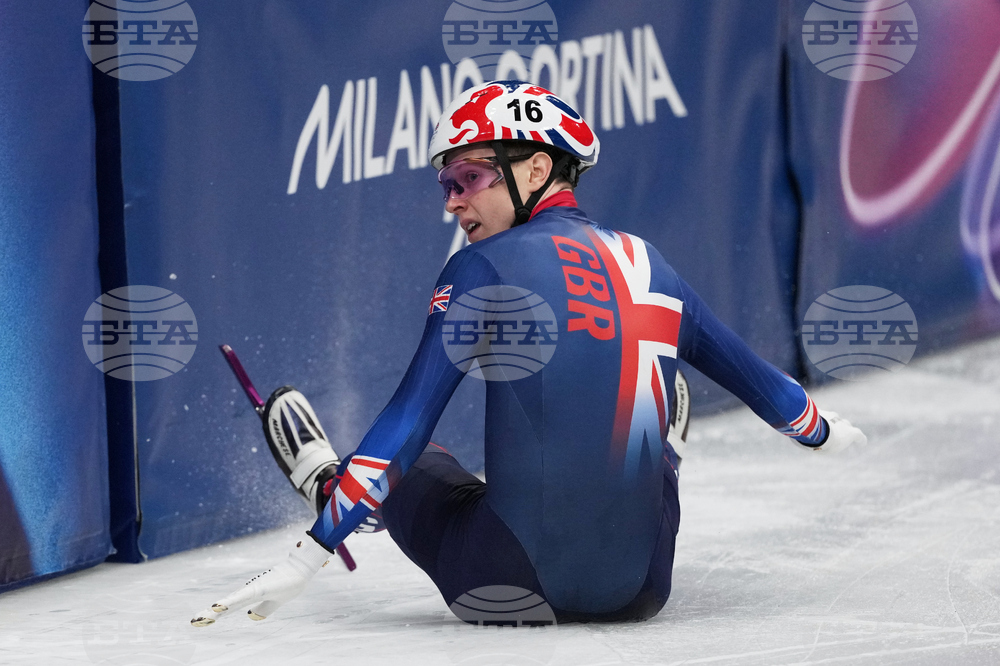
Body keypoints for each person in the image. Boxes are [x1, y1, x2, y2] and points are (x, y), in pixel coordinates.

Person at [192, 80, 866, 627]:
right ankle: (667, 445)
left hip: (499, 583)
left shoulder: (481, 268)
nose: (455, 202)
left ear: (537, 168)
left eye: (470, 176)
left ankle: (327, 483)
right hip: (643, 592)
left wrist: (312, 552)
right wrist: (825, 432)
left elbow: (406, 425)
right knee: (644, 428)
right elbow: (771, 395)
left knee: (421, 460)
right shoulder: (651, 263)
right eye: (446, 184)